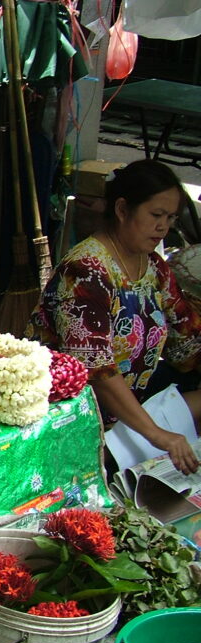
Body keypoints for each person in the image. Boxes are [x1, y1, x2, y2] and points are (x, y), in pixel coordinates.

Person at [30, 159, 201, 476]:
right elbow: (97, 370)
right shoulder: (86, 271)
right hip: (70, 415)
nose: (164, 227)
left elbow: (186, 341)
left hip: (125, 413)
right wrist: (157, 434)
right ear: (123, 210)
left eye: (171, 217)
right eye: (155, 215)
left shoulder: (153, 268)